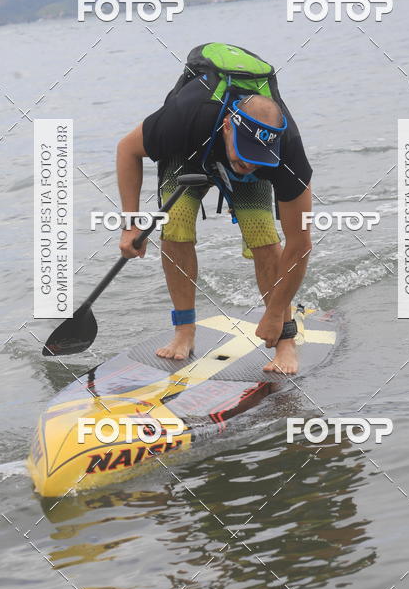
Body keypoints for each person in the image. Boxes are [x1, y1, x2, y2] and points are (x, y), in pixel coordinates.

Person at [116, 44, 313, 375]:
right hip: (190, 150)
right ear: (227, 128)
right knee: (175, 225)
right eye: (242, 158)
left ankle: (285, 342)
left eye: (256, 162)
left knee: (264, 237)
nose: (245, 166)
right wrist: (131, 224)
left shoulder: (286, 152)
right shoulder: (184, 116)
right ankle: (184, 332)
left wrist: (277, 312)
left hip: (243, 149)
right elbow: (126, 149)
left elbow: (300, 244)